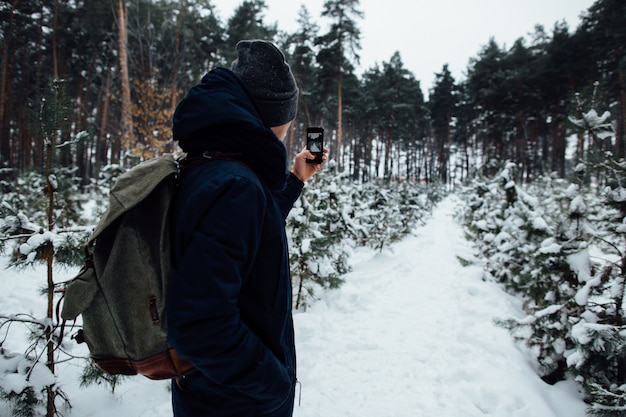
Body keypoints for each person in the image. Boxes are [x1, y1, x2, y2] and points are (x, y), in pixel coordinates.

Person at [167, 39, 326, 417]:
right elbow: (200, 325)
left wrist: (296, 180)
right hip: (236, 403)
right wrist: (273, 384)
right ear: (272, 116)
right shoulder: (237, 186)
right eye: (287, 119)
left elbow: (253, 232)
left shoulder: (213, 167)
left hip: (211, 395)